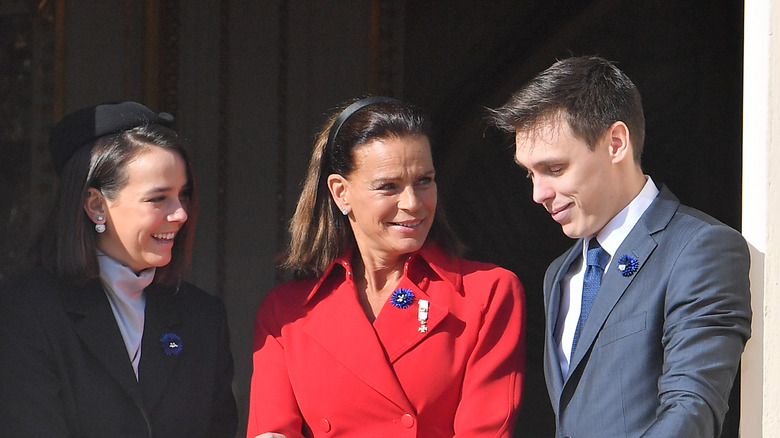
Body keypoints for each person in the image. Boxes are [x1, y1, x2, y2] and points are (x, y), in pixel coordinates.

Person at [488, 56, 752, 437]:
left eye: (555, 169)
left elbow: (691, 410)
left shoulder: (700, 248)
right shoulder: (560, 274)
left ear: (616, 143)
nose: (538, 193)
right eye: (530, 173)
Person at [246, 96, 525, 438]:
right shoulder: (285, 313)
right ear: (341, 193)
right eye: (389, 187)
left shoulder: (487, 292)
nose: (412, 203)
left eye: (424, 180)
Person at [0, 101, 238, 437]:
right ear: (97, 205)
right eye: (159, 199)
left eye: (183, 195)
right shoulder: (26, 312)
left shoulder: (203, 316)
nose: (181, 213)